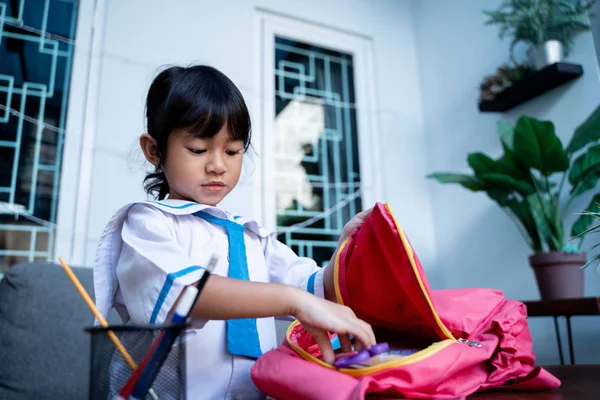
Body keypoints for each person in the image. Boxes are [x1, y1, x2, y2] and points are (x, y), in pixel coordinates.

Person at [93, 65, 376, 399]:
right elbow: (185, 295)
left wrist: (345, 251)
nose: (218, 165)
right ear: (154, 150)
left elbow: (311, 287)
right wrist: (294, 301)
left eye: (232, 151)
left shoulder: (248, 236)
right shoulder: (147, 224)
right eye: (198, 149)